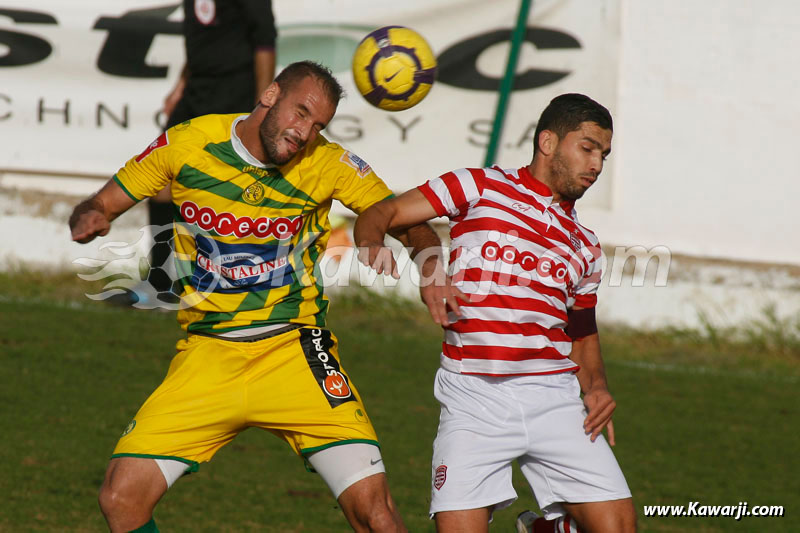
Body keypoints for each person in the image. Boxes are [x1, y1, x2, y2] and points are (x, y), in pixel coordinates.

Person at [69, 61, 448, 533]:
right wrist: (88, 218)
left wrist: (430, 266)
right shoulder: (189, 142)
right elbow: (102, 202)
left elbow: (407, 218)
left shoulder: (328, 163)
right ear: (270, 94)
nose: (305, 132)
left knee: (376, 515)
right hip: (208, 353)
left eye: (318, 125)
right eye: (300, 112)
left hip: (294, 352)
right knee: (120, 499)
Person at [354, 93, 637, 532]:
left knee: (617, 528)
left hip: (554, 399)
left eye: (604, 154)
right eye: (587, 148)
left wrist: (596, 387)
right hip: (474, 399)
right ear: (547, 142)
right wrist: (387, 248)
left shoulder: (586, 245)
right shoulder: (479, 186)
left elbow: (582, 332)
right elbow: (385, 212)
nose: (597, 164)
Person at [146, 0, 278, 299]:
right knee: (161, 181)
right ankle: (160, 284)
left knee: (227, 192)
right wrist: (181, 86)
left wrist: (262, 105)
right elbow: (203, 42)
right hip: (196, 92)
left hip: (234, 95)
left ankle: (230, 283)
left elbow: (265, 43)